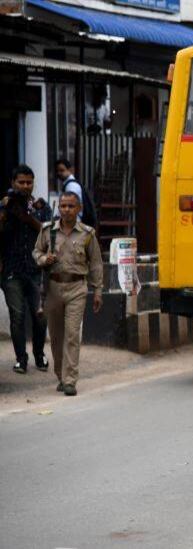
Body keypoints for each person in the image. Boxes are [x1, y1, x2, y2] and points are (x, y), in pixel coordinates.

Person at [33, 192, 103, 396]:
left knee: (72, 335)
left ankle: (70, 379)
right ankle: (60, 375)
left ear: (78, 209)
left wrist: (98, 290)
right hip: (53, 288)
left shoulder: (87, 234)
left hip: (77, 288)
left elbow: (96, 264)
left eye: (71, 206)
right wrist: (44, 259)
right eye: (63, 206)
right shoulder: (47, 230)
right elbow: (36, 251)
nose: (66, 210)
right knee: (56, 337)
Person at [0, 165, 52, 374]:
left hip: (35, 269)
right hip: (11, 270)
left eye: (28, 182)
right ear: (13, 183)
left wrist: (27, 217)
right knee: (17, 315)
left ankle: (39, 355)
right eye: (20, 182)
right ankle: (21, 358)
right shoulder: (5, 204)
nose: (25, 186)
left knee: (40, 316)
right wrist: (5, 211)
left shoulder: (40, 206)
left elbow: (47, 231)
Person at [55, 159, 97, 228]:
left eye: (62, 170)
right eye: (57, 171)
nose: (59, 173)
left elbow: (70, 208)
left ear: (70, 170)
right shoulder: (70, 184)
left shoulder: (71, 186)